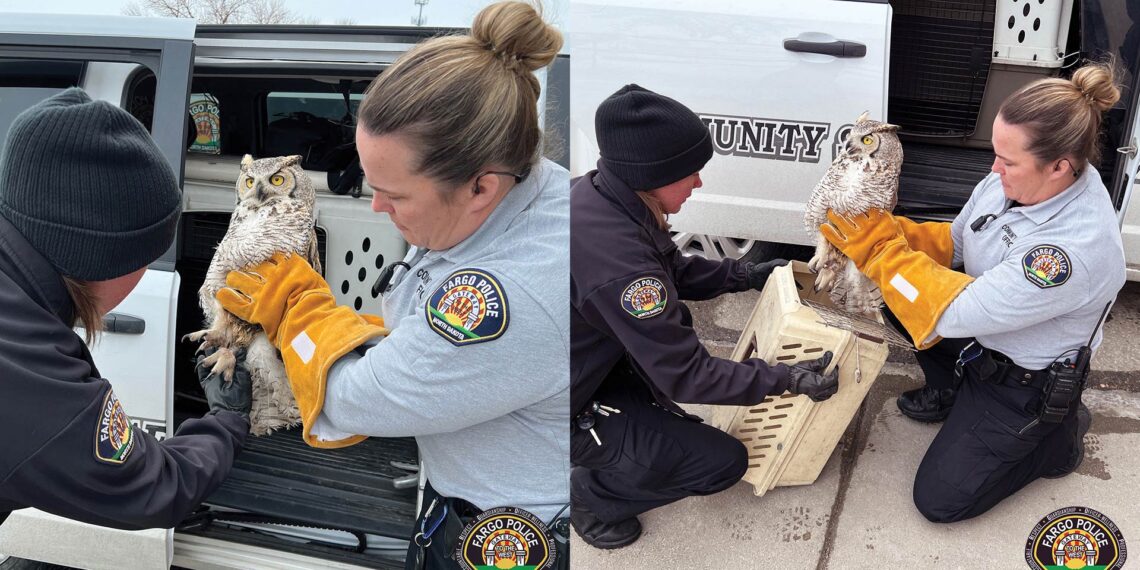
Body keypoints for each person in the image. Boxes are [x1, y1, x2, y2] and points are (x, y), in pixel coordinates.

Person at [212, 2, 570, 568]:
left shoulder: (512, 297)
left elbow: (356, 402)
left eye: (396, 196)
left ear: (481, 186)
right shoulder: (530, 188)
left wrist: (299, 313)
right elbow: (442, 337)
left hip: (510, 537)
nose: (377, 207)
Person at [820, 61, 1125, 523]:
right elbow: (958, 242)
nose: (993, 167)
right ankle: (953, 389)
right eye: (996, 152)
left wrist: (881, 251)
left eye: (1008, 161)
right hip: (985, 335)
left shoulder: (1069, 252)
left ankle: (1057, 441)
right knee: (897, 294)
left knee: (940, 500)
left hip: (1025, 383)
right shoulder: (1019, 180)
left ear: (1060, 166)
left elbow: (953, 312)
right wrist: (892, 232)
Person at [569, 84, 840, 549]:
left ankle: (622, 439)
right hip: (557, 407)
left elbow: (669, 269)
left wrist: (743, 275)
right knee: (719, 462)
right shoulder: (621, 267)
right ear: (650, 175)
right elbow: (688, 377)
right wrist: (786, 379)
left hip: (586, 365)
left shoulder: (602, 196)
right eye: (689, 173)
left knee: (666, 422)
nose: (698, 183)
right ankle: (593, 498)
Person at [0, 88, 252, 530]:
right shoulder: (27, 375)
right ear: (107, 260)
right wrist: (227, 420)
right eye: (148, 257)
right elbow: (156, 487)